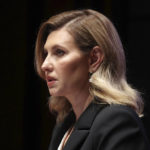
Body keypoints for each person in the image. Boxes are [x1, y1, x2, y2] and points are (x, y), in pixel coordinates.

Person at [35, 9, 150, 150]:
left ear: (94, 59)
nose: (44, 65)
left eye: (59, 52)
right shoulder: (64, 126)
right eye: (46, 53)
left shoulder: (117, 121)